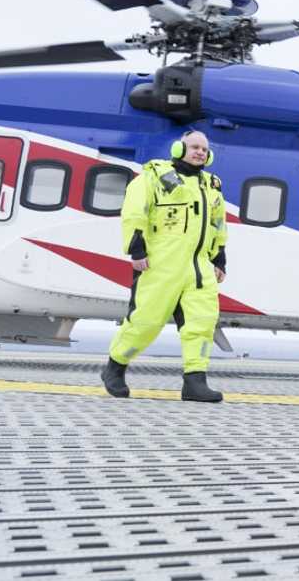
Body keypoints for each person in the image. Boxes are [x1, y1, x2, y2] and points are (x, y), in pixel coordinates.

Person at [100, 131, 229, 402]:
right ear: (178, 148)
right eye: (194, 147)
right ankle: (115, 366)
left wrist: (219, 256)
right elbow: (135, 211)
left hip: (199, 267)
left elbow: (218, 223)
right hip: (161, 263)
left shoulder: (212, 185)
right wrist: (136, 247)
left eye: (204, 149)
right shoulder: (154, 177)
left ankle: (195, 381)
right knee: (146, 320)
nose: (200, 153)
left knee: (202, 322)